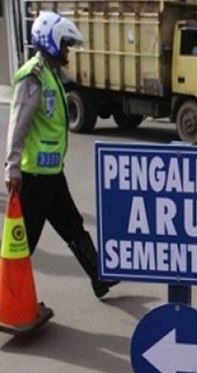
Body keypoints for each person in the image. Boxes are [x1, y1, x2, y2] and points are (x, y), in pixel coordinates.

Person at [4, 11, 118, 299]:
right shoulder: (33, 77)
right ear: (51, 43)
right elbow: (18, 125)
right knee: (24, 243)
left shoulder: (52, 75)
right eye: (65, 45)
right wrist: (12, 168)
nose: (68, 50)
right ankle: (11, 297)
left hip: (52, 174)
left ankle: (99, 276)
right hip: (33, 178)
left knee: (72, 225)